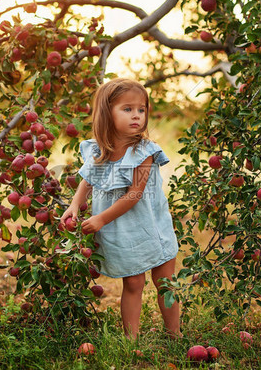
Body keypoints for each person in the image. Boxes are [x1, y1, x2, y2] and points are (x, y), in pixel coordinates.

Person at [60, 78, 180, 339]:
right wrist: (74, 205)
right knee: (133, 282)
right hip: (125, 233)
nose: (137, 115)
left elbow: (135, 194)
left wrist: (100, 218)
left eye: (141, 109)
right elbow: (87, 180)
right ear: (107, 113)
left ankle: (174, 334)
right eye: (127, 109)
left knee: (165, 283)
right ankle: (131, 339)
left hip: (152, 226)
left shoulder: (144, 150)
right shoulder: (99, 150)